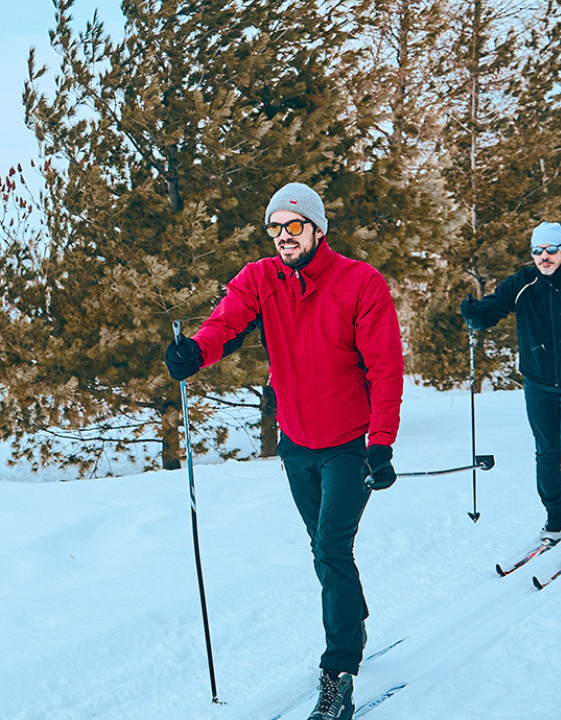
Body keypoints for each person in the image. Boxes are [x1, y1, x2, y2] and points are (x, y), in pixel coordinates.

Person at [164, 182, 403, 720]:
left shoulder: (360, 283)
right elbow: (225, 324)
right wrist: (193, 353)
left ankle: (339, 668)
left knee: (331, 549)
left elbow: (385, 368)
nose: (283, 237)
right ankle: (354, 619)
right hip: (296, 444)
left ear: (317, 228)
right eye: (275, 228)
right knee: (323, 548)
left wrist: (381, 443)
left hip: (349, 446)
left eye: (293, 226)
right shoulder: (260, 278)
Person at [459, 221, 561, 551]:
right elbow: (493, 309)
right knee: (546, 451)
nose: (544, 256)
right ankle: (554, 518)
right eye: (538, 251)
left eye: (551, 250)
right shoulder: (522, 283)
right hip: (538, 383)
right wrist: (475, 316)